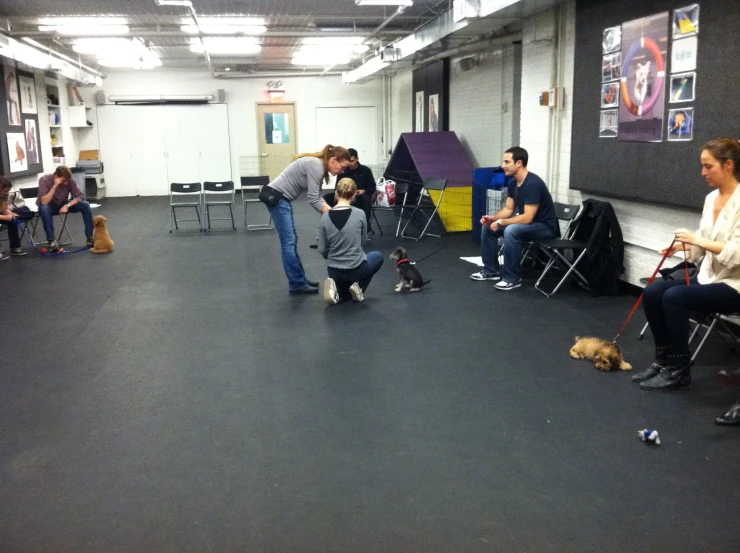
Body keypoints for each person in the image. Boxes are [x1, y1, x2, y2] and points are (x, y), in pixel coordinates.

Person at [632, 138, 740, 397]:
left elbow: (736, 254)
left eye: (708, 166)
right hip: (710, 277)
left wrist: (697, 241)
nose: (703, 173)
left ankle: (680, 369)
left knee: (674, 296)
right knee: (653, 291)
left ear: (728, 165)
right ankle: (663, 360)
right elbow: (705, 239)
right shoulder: (711, 197)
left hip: (734, 284)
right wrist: (684, 248)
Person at [260, 144, 351, 294]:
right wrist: (335, 217)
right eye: (342, 167)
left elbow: (317, 196)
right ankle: (296, 283)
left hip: (281, 199)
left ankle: (299, 279)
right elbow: (313, 200)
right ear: (334, 159)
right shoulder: (316, 165)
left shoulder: (317, 165)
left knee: (291, 240)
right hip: (277, 199)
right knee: (288, 242)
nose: (342, 171)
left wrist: (333, 211)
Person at [470, 146, 558, 290]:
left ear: (519, 163)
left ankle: (512, 278)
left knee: (511, 230)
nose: (503, 166)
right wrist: (492, 218)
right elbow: (508, 209)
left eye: (506, 162)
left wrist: (502, 222)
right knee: (488, 227)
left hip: (544, 227)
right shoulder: (513, 183)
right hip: (529, 224)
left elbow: (528, 218)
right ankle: (490, 270)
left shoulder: (532, 184)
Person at [319, 178, 383, 304]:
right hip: (356, 268)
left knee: (341, 278)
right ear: (354, 195)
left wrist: (333, 257)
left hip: (334, 269)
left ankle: (339, 288)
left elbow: (322, 248)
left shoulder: (325, 216)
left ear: (336, 193)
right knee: (377, 256)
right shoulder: (360, 214)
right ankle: (358, 287)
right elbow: (363, 241)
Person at [36, 165, 94, 251]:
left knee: (85, 205)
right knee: (44, 208)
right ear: (56, 177)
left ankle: (90, 237)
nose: (66, 183)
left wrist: (67, 205)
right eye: (64, 180)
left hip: (63, 203)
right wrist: (55, 186)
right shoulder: (44, 180)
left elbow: (81, 196)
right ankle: (51, 241)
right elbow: (44, 202)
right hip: (49, 205)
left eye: (68, 180)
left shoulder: (69, 180)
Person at [322, 148, 376, 236]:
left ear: (357, 159)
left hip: (360, 195)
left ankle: (365, 228)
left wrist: (364, 190)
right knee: (326, 198)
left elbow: (372, 186)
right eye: (349, 161)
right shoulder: (343, 170)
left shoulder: (365, 170)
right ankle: (328, 227)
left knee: (365, 199)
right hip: (345, 195)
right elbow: (337, 186)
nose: (350, 164)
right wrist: (338, 193)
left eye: (352, 161)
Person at [0, 177, 29, 259]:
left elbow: (4, 210)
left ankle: (15, 248)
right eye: (5, 191)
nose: (7, 193)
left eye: (8, 190)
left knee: (12, 220)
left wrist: (12, 214)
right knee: (8, 218)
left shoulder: (4, 195)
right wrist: (7, 217)